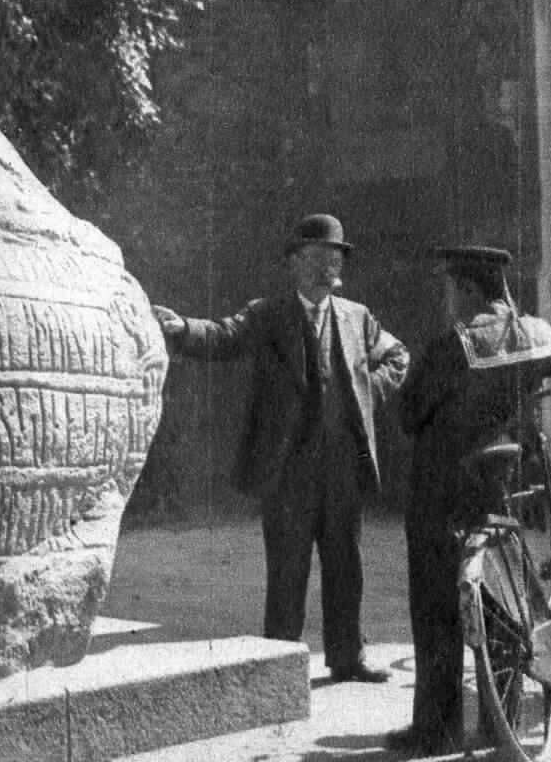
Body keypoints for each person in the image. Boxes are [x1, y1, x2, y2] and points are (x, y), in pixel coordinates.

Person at [152, 214, 409, 681]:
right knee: (288, 571)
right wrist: (182, 330)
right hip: (288, 471)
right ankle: (278, 669)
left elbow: (398, 356)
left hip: (341, 469)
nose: (325, 268)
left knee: (345, 566)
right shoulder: (269, 315)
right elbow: (223, 335)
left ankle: (348, 659)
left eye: (333, 258)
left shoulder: (357, 317)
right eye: (314, 258)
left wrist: (365, 393)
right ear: (292, 264)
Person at [391, 246, 551, 756]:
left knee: (436, 604)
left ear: (466, 289)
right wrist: (540, 386)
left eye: (450, 290)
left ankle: (437, 730)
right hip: (500, 481)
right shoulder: (536, 332)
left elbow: (408, 414)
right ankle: (500, 718)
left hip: (442, 490)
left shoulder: (453, 345)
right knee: (503, 602)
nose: (447, 301)